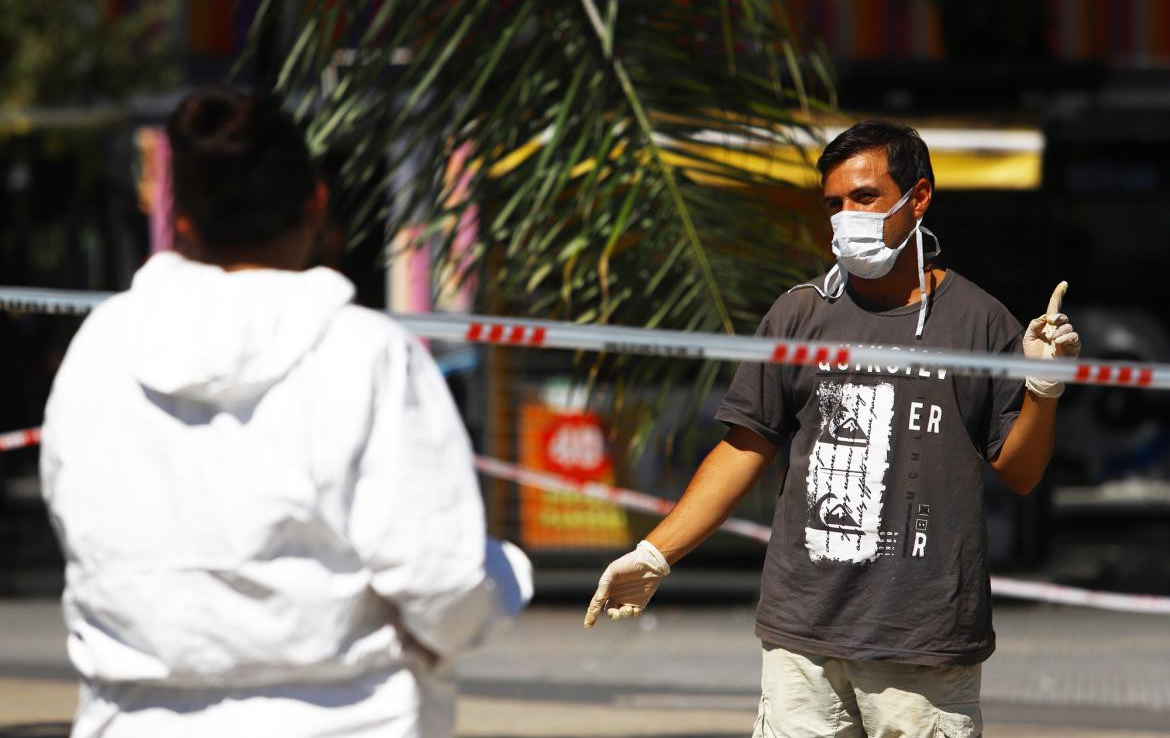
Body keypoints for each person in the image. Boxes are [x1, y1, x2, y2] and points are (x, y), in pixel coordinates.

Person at [39, 88, 531, 738]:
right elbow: (443, 587)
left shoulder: (101, 348)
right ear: (317, 203)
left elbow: (79, 526)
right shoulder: (367, 355)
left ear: (180, 217)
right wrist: (505, 578)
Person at [584, 120, 1080, 738]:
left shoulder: (978, 322)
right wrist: (656, 555)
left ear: (918, 198)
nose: (847, 217)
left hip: (922, 646)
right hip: (804, 641)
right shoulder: (800, 313)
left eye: (865, 197)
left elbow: (1021, 470)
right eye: (834, 204)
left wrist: (1044, 386)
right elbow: (745, 445)